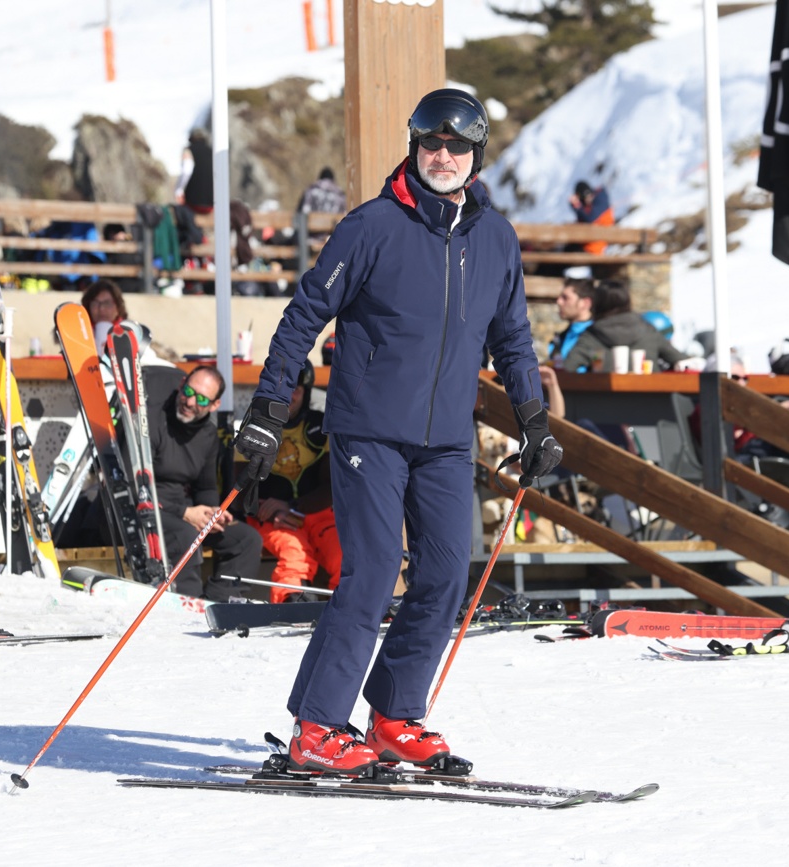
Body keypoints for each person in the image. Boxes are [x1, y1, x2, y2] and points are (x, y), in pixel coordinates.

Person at [234, 88, 562, 774]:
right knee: (376, 568)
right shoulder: (371, 226)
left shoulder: (496, 239)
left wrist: (534, 421)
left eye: (457, 147)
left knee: (445, 571)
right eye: (431, 144)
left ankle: (394, 714)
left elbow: (515, 342)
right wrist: (267, 410)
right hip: (368, 432)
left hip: (446, 437)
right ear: (414, 146)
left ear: (476, 157)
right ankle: (317, 727)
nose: (442, 157)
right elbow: (301, 319)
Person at [147, 365, 261, 600]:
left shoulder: (208, 436)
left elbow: (206, 487)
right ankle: (191, 607)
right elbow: (135, 483)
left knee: (247, 540)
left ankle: (217, 604)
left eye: (201, 399)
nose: (189, 402)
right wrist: (184, 512)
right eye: (188, 391)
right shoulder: (154, 422)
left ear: (214, 405)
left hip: (185, 509)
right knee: (185, 534)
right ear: (181, 386)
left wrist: (211, 512)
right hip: (150, 508)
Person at [239, 361, 342, 604]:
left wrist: (294, 505)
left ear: (306, 392)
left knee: (344, 553)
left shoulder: (322, 427)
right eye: (283, 387)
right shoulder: (254, 428)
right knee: (295, 552)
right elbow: (240, 489)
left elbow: (332, 487)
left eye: (296, 388)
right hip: (270, 515)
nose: (289, 394)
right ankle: (293, 602)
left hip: (316, 513)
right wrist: (264, 509)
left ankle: (350, 607)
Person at [564, 281, 686, 373]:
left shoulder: (590, 336)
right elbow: (683, 361)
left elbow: (567, 369)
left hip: (601, 403)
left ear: (598, 304)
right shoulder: (648, 330)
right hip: (650, 402)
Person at [548, 275, 596, 367]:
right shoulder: (561, 336)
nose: (559, 302)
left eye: (565, 298)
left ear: (585, 303)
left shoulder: (596, 336)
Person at [568, 180, 613, 255]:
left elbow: (590, 218)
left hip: (594, 249)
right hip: (587, 245)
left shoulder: (601, 199)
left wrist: (577, 207)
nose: (587, 199)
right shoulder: (589, 207)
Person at [81, 280, 128, 349]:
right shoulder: (80, 335)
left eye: (107, 303)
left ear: (118, 307)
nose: (101, 308)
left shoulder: (131, 335)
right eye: (95, 303)